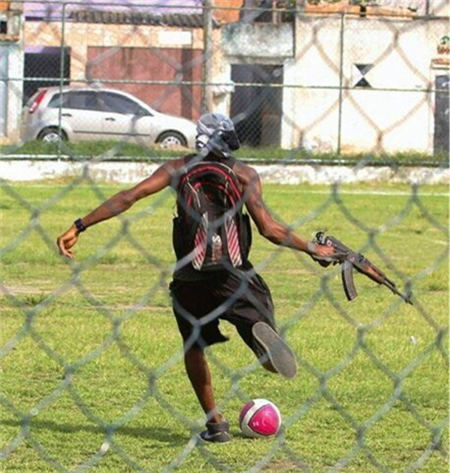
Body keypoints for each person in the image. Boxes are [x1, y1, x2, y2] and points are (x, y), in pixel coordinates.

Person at [57, 113, 337, 443]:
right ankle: (263, 347)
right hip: (234, 275)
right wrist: (312, 248)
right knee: (262, 333)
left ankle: (215, 424)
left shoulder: (177, 168)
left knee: (194, 345)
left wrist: (80, 225)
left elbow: (129, 196)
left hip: (190, 278)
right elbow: (269, 229)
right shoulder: (244, 174)